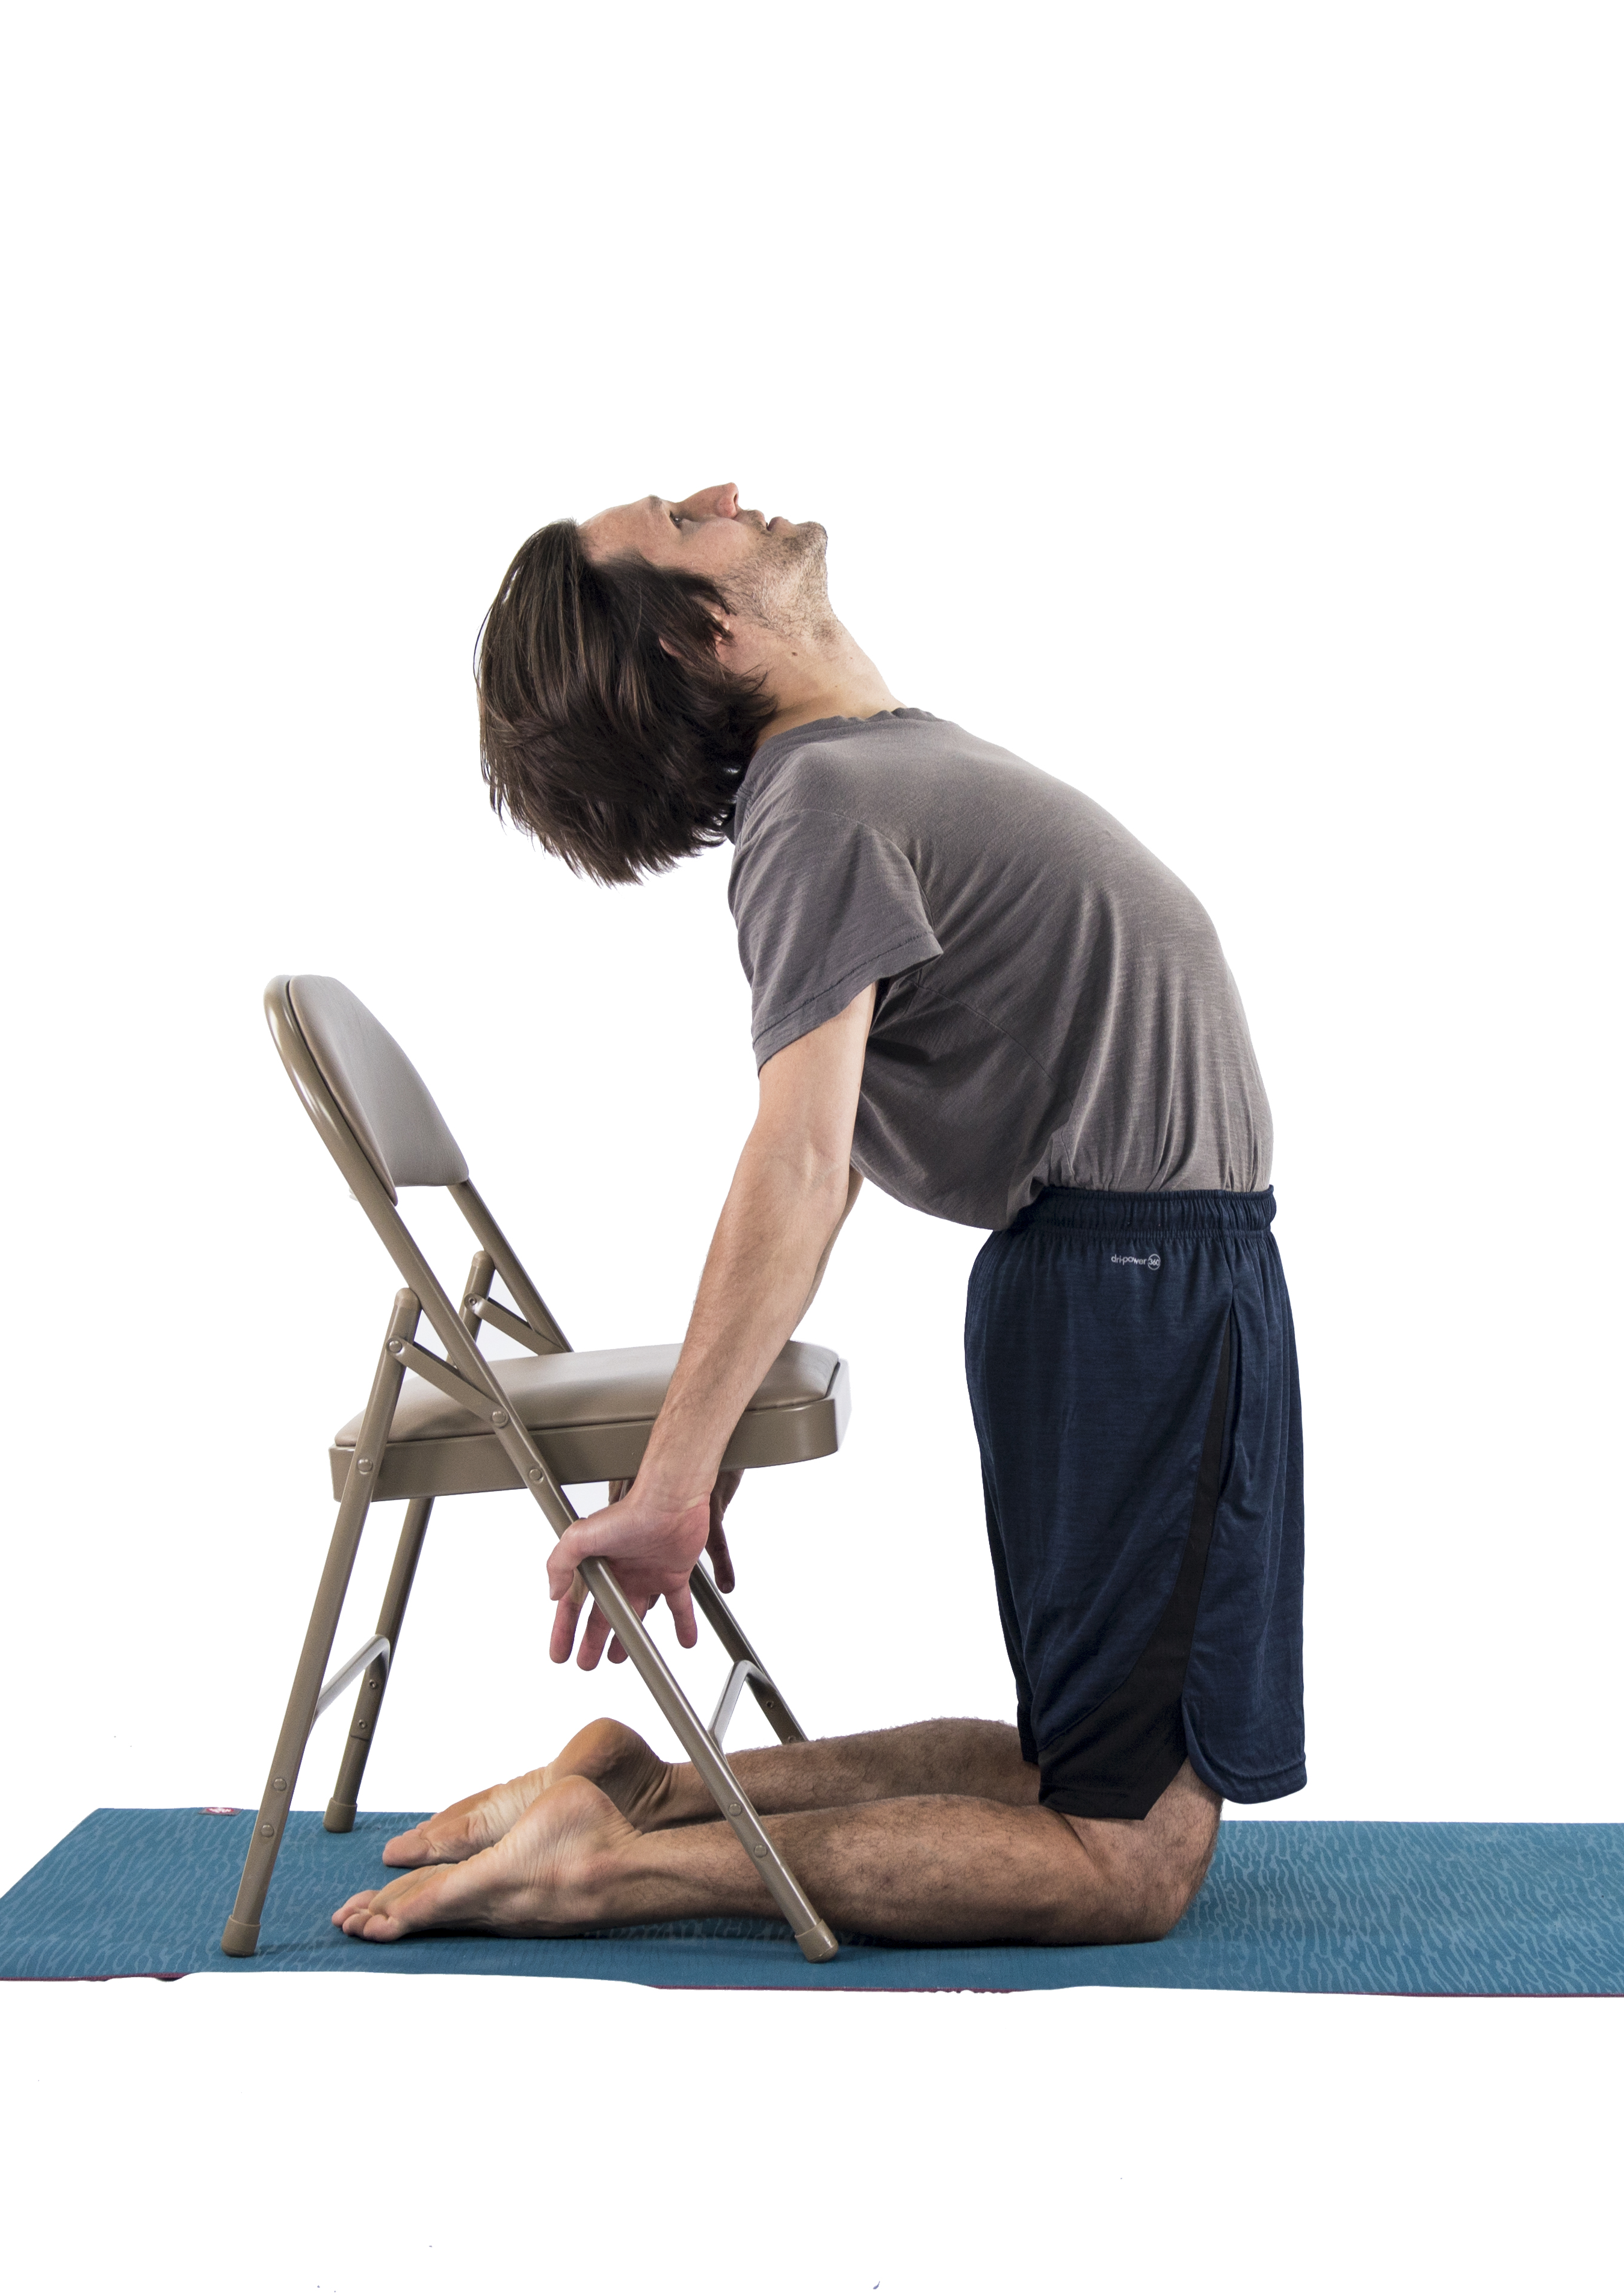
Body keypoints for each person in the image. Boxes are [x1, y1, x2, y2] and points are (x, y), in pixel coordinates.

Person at [332, 483, 1300, 1947]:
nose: (724, 496)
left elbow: (830, 1153)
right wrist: (673, 1478)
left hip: (1141, 1277)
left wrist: (691, 1456)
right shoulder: (824, 806)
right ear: (699, 637)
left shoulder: (852, 777)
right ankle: (609, 1869)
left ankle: (643, 1794)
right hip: (1132, 1281)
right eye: (681, 521)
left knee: (1071, 1773)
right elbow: (798, 1154)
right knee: (1129, 1858)